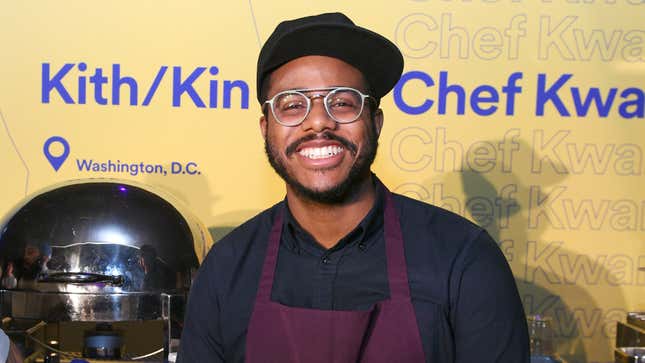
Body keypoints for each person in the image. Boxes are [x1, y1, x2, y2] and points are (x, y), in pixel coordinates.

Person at [177, 12, 529, 363]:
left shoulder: (464, 261)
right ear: (265, 127)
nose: (318, 122)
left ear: (375, 123)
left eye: (343, 103)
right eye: (293, 105)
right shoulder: (226, 269)